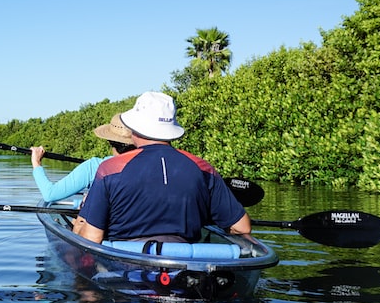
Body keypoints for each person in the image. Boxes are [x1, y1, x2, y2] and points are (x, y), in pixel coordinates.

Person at [73, 92, 251, 244]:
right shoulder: (203, 167)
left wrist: (79, 227)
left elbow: (92, 238)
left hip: (124, 271)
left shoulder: (109, 168)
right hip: (186, 269)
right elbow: (241, 227)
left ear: (134, 128)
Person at [29, 114, 136, 203]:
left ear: (109, 141)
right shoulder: (148, 166)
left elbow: (50, 194)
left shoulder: (94, 167)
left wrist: (36, 162)